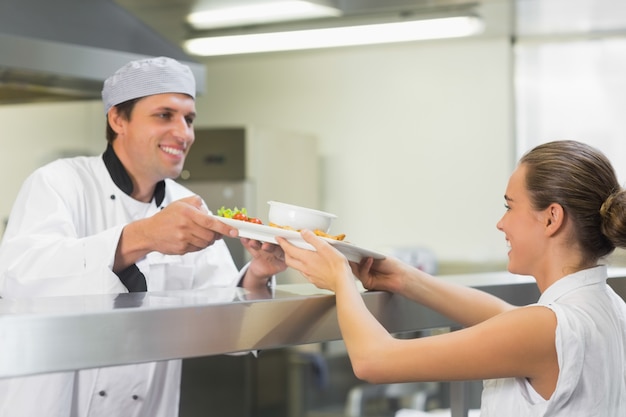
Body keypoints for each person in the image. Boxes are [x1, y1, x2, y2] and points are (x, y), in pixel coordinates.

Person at [0, 56, 286, 416]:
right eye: (164, 115)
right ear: (118, 119)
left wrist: (258, 273)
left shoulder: (186, 205)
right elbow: (20, 280)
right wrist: (140, 237)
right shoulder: (59, 182)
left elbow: (225, 328)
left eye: (189, 118)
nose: (183, 133)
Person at [277, 140, 626, 416]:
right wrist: (405, 279)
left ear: (551, 218)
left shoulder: (548, 328)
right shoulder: (609, 307)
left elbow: (374, 360)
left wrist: (340, 278)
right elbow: (508, 321)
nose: (501, 223)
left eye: (509, 206)